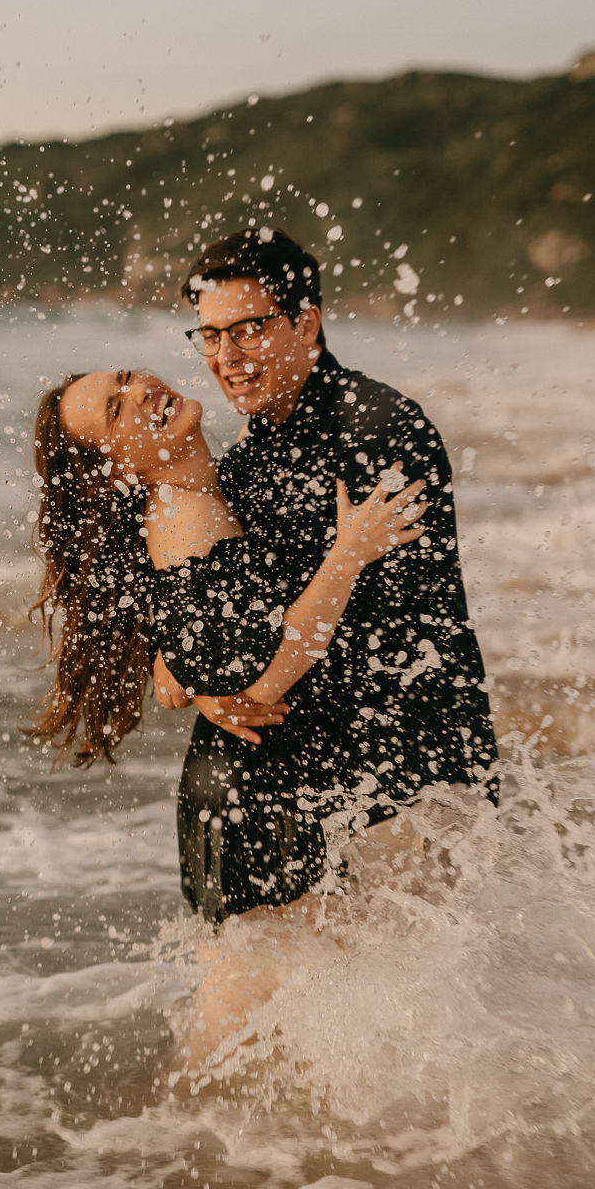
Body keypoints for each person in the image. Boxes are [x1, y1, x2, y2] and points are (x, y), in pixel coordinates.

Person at [156, 227, 498, 920]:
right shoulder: (249, 460)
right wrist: (204, 684)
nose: (227, 357)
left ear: (306, 324)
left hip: (413, 782)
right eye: (211, 336)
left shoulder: (380, 432)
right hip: (326, 785)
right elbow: (222, 625)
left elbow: (369, 631)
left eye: (248, 330)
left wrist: (235, 683)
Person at [27, 367, 427, 924]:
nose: (140, 391)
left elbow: (196, 619)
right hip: (251, 807)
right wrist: (350, 553)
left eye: (126, 377)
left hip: (259, 791)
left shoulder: (206, 483)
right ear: (117, 472)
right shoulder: (185, 521)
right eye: (115, 410)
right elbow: (264, 679)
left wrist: (178, 664)